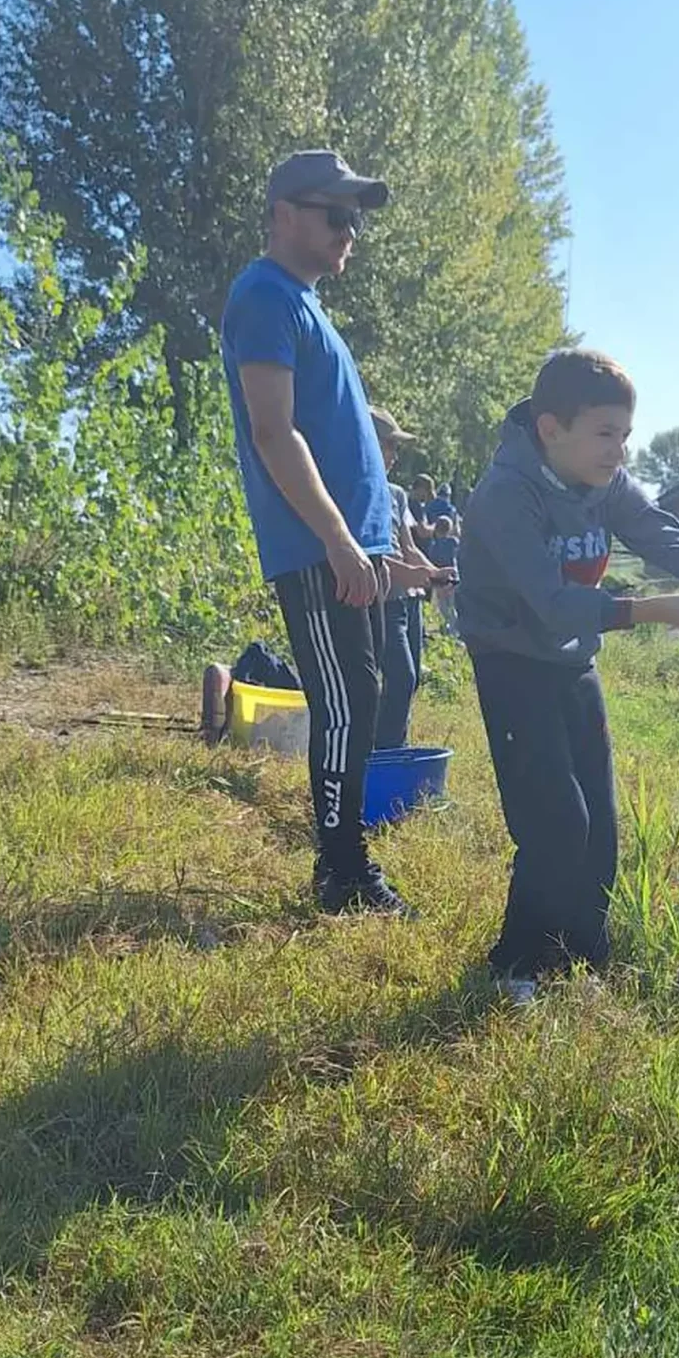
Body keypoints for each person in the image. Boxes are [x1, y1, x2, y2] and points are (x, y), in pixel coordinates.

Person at [456, 347, 679, 1003]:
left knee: (600, 828)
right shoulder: (505, 494)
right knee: (555, 820)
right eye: (604, 434)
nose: (618, 451)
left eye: (625, 436)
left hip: (570, 660)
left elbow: (665, 535)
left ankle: (582, 962)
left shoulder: (605, 481)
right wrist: (656, 610)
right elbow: (554, 602)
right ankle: (515, 966)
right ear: (550, 429)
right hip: (511, 664)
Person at [220, 148, 425, 916]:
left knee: (363, 698)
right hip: (315, 547)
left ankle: (346, 859)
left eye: (356, 218)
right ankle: (341, 873)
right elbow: (275, 435)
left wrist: (384, 554)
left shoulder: (305, 306)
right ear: (284, 215)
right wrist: (339, 540)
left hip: (349, 548)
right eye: (337, 215)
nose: (351, 232)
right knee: (343, 707)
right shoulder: (264, 296)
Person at [370, 407, 451, 748]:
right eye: (389, 445)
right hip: (379, 599)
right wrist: (416, 574)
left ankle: (391, 746)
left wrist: (432, 573)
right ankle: (385, 753)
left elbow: (407, 547)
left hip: (405, 598)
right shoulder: (353, 490)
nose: (394, 454)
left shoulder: (398, 494)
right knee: (399, 676)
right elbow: (373, 555)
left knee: (410, 677)